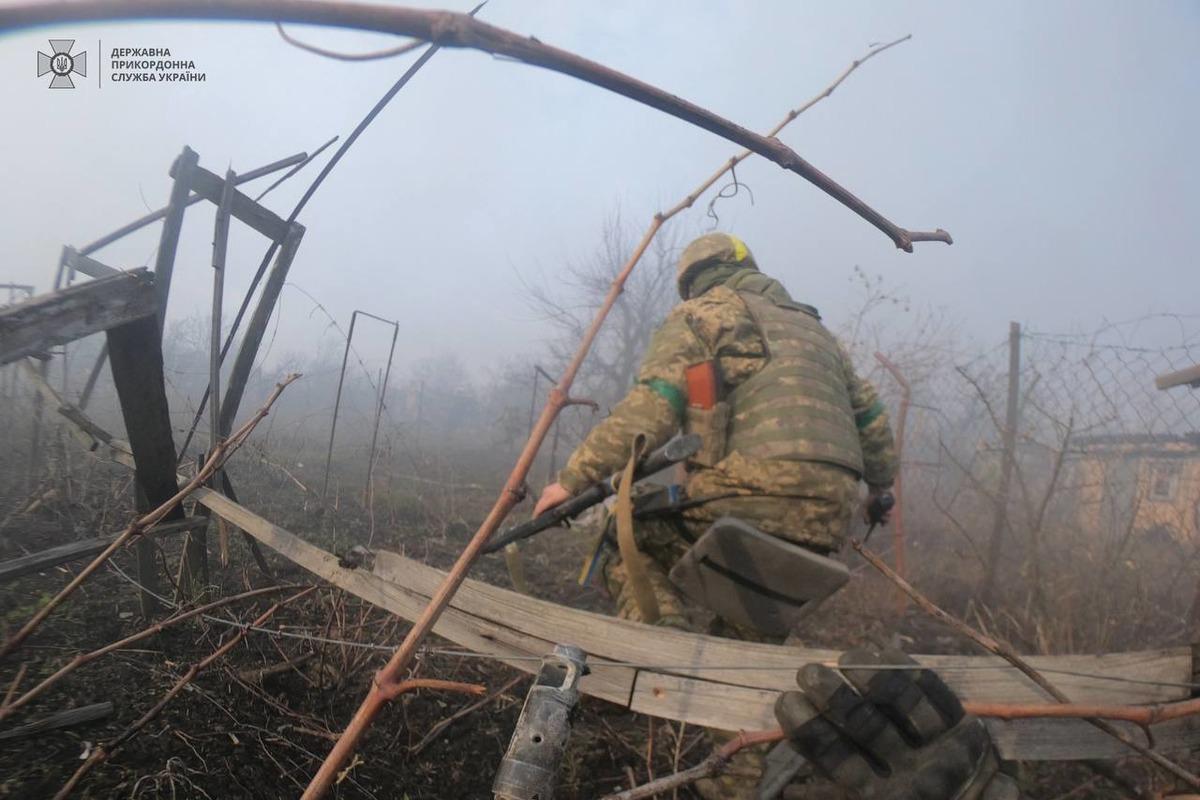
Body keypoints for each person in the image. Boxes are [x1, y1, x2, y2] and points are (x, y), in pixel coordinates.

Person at [532, 232, 900, 797]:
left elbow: (654, 406)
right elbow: (873, 424)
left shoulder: (701, 314)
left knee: (623, 536)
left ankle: (666, 660)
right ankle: (734, 782)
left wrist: (573, 478)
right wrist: (879, 490)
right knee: (746, 649)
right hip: (827, 518)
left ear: (693, 281)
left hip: (745, 499)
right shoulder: (816, 331)